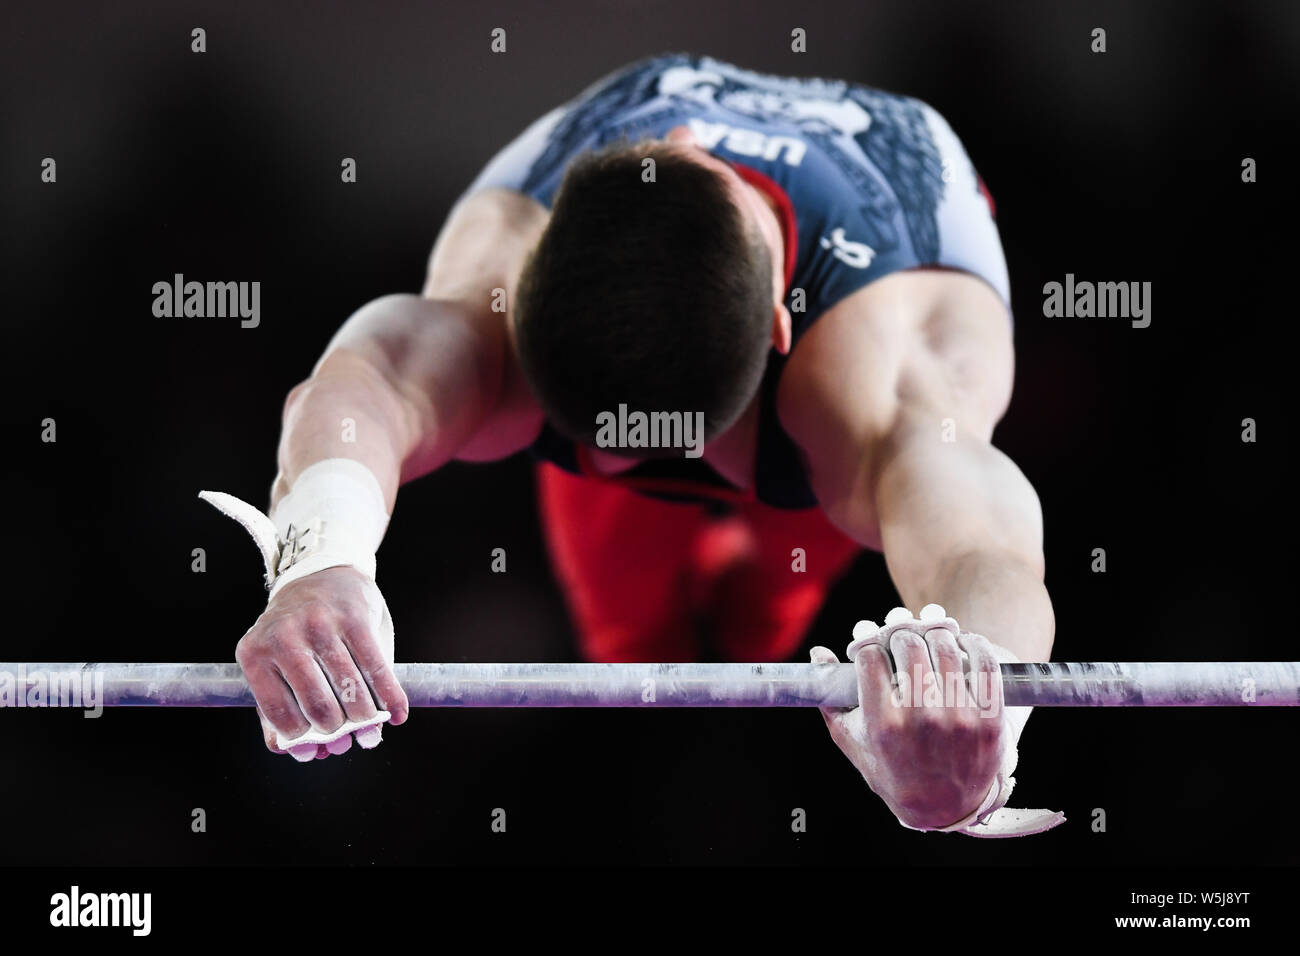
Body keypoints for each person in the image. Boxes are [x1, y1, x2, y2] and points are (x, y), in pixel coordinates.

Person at [203, 53, 1063, 836]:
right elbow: (361, 387)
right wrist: (321, 561)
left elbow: (987, 552)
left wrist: (975, 720)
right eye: (594, 442)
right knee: (637, 660)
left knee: (770, 614)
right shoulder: (496, 273)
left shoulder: (890, 367)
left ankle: (755, 576)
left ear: (776, 330)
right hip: (684, 376)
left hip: (821, 405)